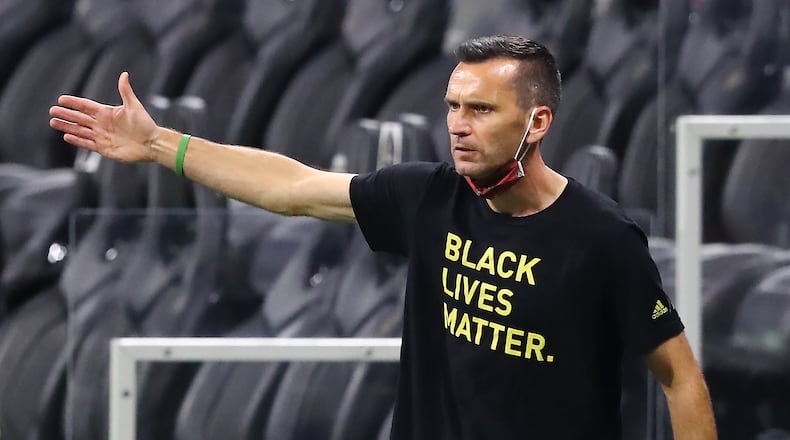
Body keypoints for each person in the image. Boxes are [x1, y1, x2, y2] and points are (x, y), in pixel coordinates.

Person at [50, 35, 716, 439]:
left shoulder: (601, 238)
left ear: (537, 120)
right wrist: (162, 143)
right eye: (453, 106)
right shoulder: (427, 196)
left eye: (481, 110)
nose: (458, 124)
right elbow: (291, 188)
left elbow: (680, 379)